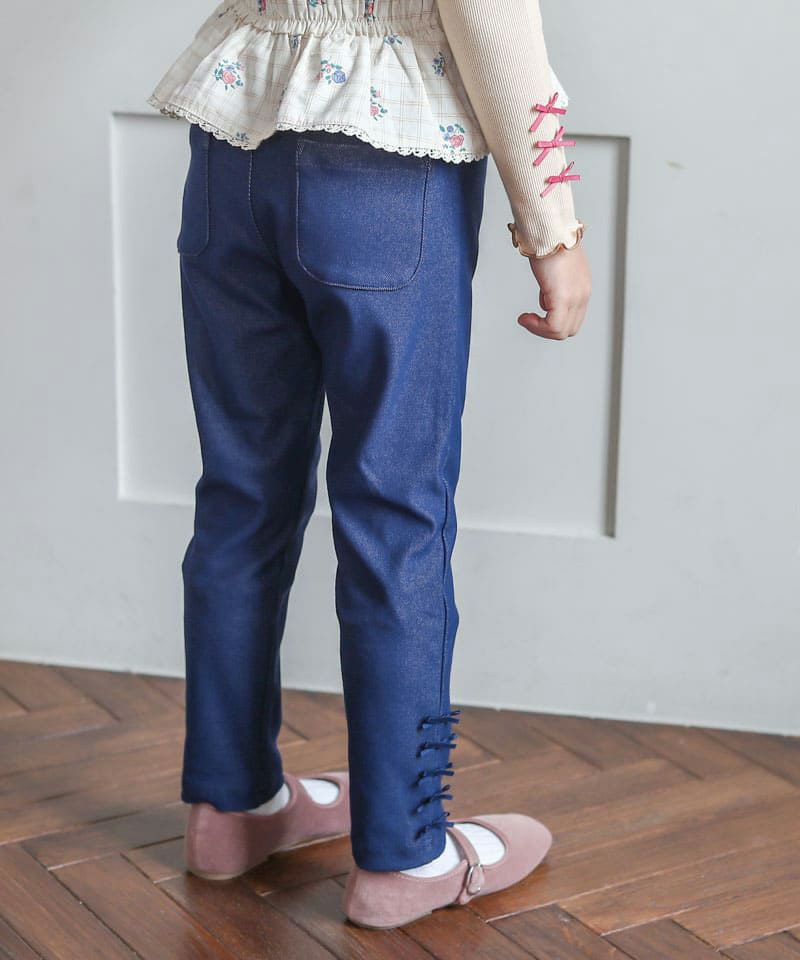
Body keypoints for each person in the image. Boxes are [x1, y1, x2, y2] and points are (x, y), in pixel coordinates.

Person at [148, 0, 591, 930]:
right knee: (397, 517)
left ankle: (230, 807)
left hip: (234, 146)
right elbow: (488, 17)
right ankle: (406, 855)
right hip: (384, 166)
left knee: (240, 496)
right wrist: (553, 228)